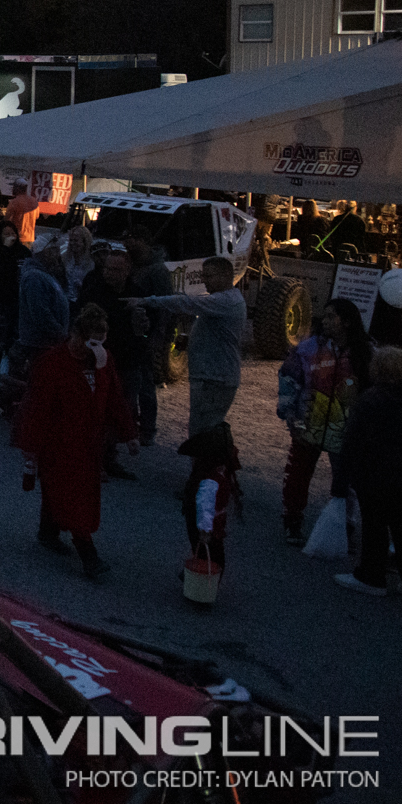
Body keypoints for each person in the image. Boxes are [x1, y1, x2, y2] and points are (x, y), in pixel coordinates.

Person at [14, 304, 138, 580]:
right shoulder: (52, 363)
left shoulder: (102, 360)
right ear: (75, 334)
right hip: (57, 443)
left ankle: (48, 531)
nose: (92, 349)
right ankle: (88, 554)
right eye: (89, 342)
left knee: (62, 492)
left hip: (89, 444)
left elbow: (114, 398)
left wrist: (129, 434)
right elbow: (37, 408)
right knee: (71, 497)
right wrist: (31, 449)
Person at [277, 297, 371, 546]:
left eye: (332, 317)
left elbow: (374, 393)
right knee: (297, 473)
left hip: (346, 430)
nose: (326, 321)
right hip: (308, 423)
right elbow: (288, 378)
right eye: (325, 316)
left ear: (348, 322)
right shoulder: (308, 349)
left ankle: (345, 526)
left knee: (346, 480)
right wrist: (288, 413)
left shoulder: (366, 352)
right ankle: (292, 521)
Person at [337, 347, 402, 596]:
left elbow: (353, 440)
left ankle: (371, 575)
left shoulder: (370, 400)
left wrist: (343, 476)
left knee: (374, 524)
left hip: (373, 471)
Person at [128, 255, 247, 438]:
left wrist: (147, 300)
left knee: (202, 436)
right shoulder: (227, 299)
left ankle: (206, 467)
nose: (204, 281)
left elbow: (186, 302)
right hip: (214, 376)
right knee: (204, 433)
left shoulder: (224, 301)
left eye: (209, 276)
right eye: (204, 276)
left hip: (214, 378)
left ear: (225, 276)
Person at [78, 247, 144, 480]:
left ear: (127, 271)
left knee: (123, 408)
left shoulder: (137, 294)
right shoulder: (94, 292)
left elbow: (147, 329)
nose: (110, 273)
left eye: (116, 269)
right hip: (98, 361)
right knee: (96, 413)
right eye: (107, 268)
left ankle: (110, 457)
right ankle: (94, 459)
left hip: (127, 361)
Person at [122, 227, 170, 446]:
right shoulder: (130, 264)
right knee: (130, 382)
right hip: (128, 333)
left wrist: (159, 337)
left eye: (133, 237)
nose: (129, 242)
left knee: (146, 385)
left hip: (147, 333)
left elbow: (164, 306)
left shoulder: (157, 270)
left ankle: (148, 429)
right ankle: (129, 425)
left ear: (144, 241)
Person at [180, 422, 241, 578]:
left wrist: (206, 529)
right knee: (213, 556)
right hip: (212, 526)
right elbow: (207, 507)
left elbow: (205, 507)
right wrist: (206, 529)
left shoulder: (208, 478)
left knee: (205, 552)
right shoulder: (216, 477)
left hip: (209, 525)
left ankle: (199, 579)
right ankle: (202, 581)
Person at [15, 240, 70, 373]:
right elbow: (40, 312)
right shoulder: (35, 277)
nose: (57, 255)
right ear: (44, 253)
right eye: (54, 251)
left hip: (46, 343)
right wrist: (60, 333)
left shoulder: (44, 274)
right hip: (39, 344)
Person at [0, 221, 27, 388]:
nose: (10, 236)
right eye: (6, 233)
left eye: (12, 233)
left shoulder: (22, 252)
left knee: (13, 342)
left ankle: (10, 377)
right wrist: (5, 250)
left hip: (17, 301)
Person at [59, 226, 95, 301]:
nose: (72, 243)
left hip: (81, 300)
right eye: (71, 240)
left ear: (85, 242)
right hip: (64, 298)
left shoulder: (92, 261)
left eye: (76, 241)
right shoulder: (64, 257)